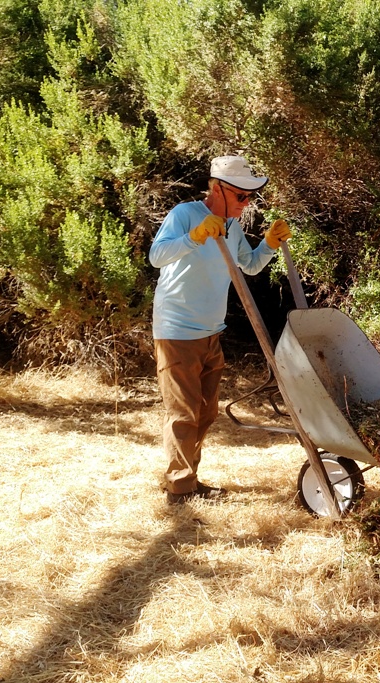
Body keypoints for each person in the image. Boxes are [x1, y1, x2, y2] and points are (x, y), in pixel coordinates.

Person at [149, 155, 292, 505]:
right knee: (183, 413)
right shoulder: (184, 214)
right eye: (241, 197)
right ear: (217, 189)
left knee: (206, 411)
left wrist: (270, 245)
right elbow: (157, 255)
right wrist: (195, 236)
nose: (247, 205)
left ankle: (185, 477)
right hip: (178, 329)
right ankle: (180, 489)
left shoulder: (233, 226)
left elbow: (251, 264)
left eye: (250, 198)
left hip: (211, 329)